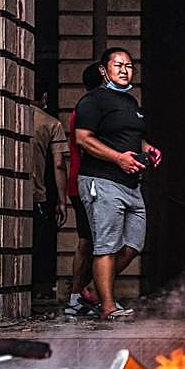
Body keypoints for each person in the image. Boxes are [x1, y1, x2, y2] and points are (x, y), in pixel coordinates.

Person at [73, 47, 162, 320]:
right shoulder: (93, 101)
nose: (124, 70)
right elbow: (83, 139)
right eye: (118, 65)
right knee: (106, 245)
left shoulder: (131, 103)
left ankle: (91, 288)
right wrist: (118, 158)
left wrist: (148, 149)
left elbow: (133, 138)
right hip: (102, 180)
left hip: (130, 183)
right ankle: (108, 308)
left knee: (133, 244)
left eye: (129, 66)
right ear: (104, 70)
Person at [64, 62, 104, 316]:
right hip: (88, 184)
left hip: (82, 183)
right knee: (90, 243)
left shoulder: (88, 107)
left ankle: (80, 296)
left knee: (89, 242)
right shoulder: (91, 108)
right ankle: (80, 295)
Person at [30, 80, 68, 298]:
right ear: (44, 97)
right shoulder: (51, 123)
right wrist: (62, 201)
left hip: (5, 197)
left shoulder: (8, 115)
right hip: (36, 194)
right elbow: (59, 164)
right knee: (37, 246)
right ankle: (35, 292)